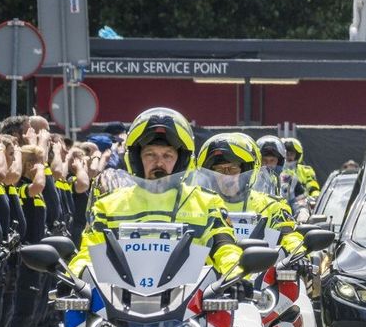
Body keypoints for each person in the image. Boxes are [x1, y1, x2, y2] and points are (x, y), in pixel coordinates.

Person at [69, 107, 241, 278]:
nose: (159, 163)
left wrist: (236, 274)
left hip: (192, 301)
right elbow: (88, 253)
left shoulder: (208, 203)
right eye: (150, 155)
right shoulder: (107, 206)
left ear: (181, 161)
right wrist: (74, 275)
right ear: (136, 159)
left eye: (168, 156)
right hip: (119, 301)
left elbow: (225, 248)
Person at [195, 133, 304, 252]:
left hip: (261, 268)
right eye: (219, 170)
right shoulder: (199, 207)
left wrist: (298, 252)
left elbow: (289, 234)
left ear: (247, 171)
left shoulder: (270, 206)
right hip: (209, 270)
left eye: (233, 169)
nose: (226, 175)